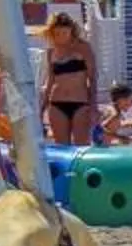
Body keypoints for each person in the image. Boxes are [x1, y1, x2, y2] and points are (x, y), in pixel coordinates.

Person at [40, 10, 97, 146]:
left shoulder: (83, 48)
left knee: (81, 145)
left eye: (64, 33)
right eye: (57, 34)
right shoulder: (51, 52)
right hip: (56, 103)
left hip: (80, 102)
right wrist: (42, 107)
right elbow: (50, 80)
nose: (61, 37)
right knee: (62, 146)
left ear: (72, 31)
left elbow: (93, 78)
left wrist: (94, 104)